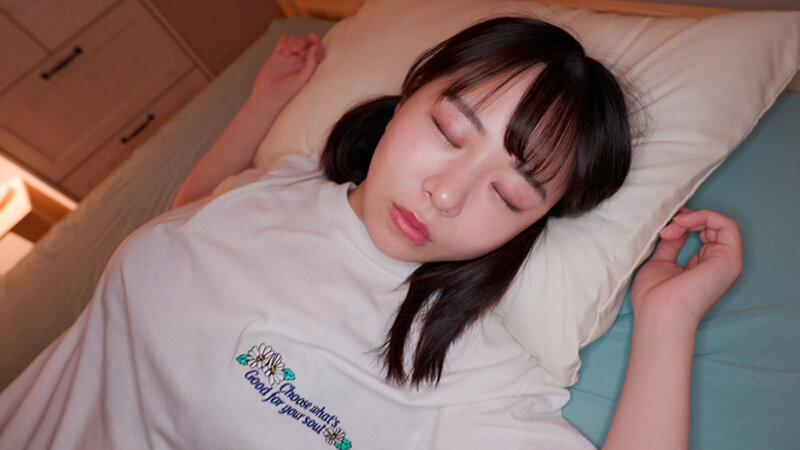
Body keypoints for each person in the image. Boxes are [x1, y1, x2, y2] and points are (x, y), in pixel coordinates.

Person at [0, 18, 741, 449]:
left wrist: (667, 321)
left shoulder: (463, 368)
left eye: (509, 194)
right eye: (448, 131)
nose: (445, 193)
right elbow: (191, 220)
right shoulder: (287, 180)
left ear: (533, 225)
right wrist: (262, 105)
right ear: (406, 97)